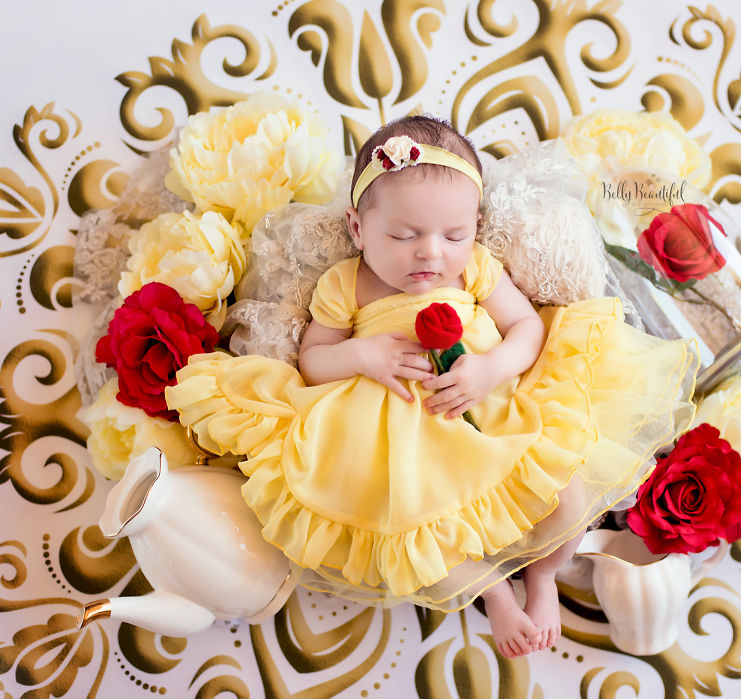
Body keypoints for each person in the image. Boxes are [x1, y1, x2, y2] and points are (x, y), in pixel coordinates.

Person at [166, 115, 698, 658]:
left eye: (454, 235)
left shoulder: (475, 270)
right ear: (357, 228)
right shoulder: (345, 285)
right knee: (405, 542)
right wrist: (360, 354)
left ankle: (542, 577)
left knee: (569, 500)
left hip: (491, 417)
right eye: (403, 235)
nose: (430, 253)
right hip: (400, 448)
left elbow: (527, 328)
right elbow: (313, 362)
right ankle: (494, 592)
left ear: (476, 227)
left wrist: (490, 368)